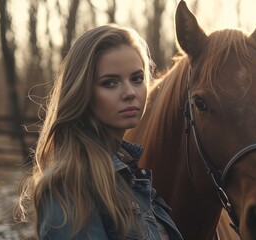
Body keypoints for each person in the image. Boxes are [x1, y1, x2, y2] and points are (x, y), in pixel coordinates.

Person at [17, 24, 183, 240]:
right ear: (82, 91)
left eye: (137, 78)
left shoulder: (132, 177)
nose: (130, 93)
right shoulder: (70, 185)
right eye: (110, 83)